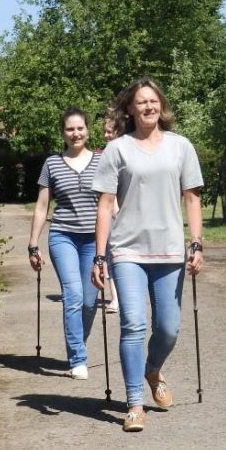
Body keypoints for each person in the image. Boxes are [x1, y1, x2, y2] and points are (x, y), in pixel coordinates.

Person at [91, 77, 204, 433]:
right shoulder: (118, 150)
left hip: (170, 250)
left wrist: (196, 243)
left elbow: (192, 198)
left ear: (162, 106)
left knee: (168, 328)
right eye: (141, 102)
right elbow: (106, 204)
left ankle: (152, 369)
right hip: (127, 251)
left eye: (153, 101)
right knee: (133, 325)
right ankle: (134, 403)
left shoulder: (180, 146)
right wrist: (100, 256)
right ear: (130, 108)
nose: (148, 107)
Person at [27, 107, 102, 379]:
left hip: (95, 240)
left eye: (80, 128)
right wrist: (33, 244)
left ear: (88, 130)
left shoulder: (101, 161)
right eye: (70, 129)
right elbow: (42, 206)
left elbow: (111, 204)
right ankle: (78, 358)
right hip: (63, 237)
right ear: (63, 133)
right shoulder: (53, 163)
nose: (75, 133)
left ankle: (78, 342)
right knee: (74, 295)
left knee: (90, 302)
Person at [99, 114, 121, 313]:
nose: (106, 135)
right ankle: (115, 298)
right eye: (104, 132)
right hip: (111, 213)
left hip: (128, 212)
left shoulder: (127, 153)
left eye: (109, 132)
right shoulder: (102, 155)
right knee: (111, 255)